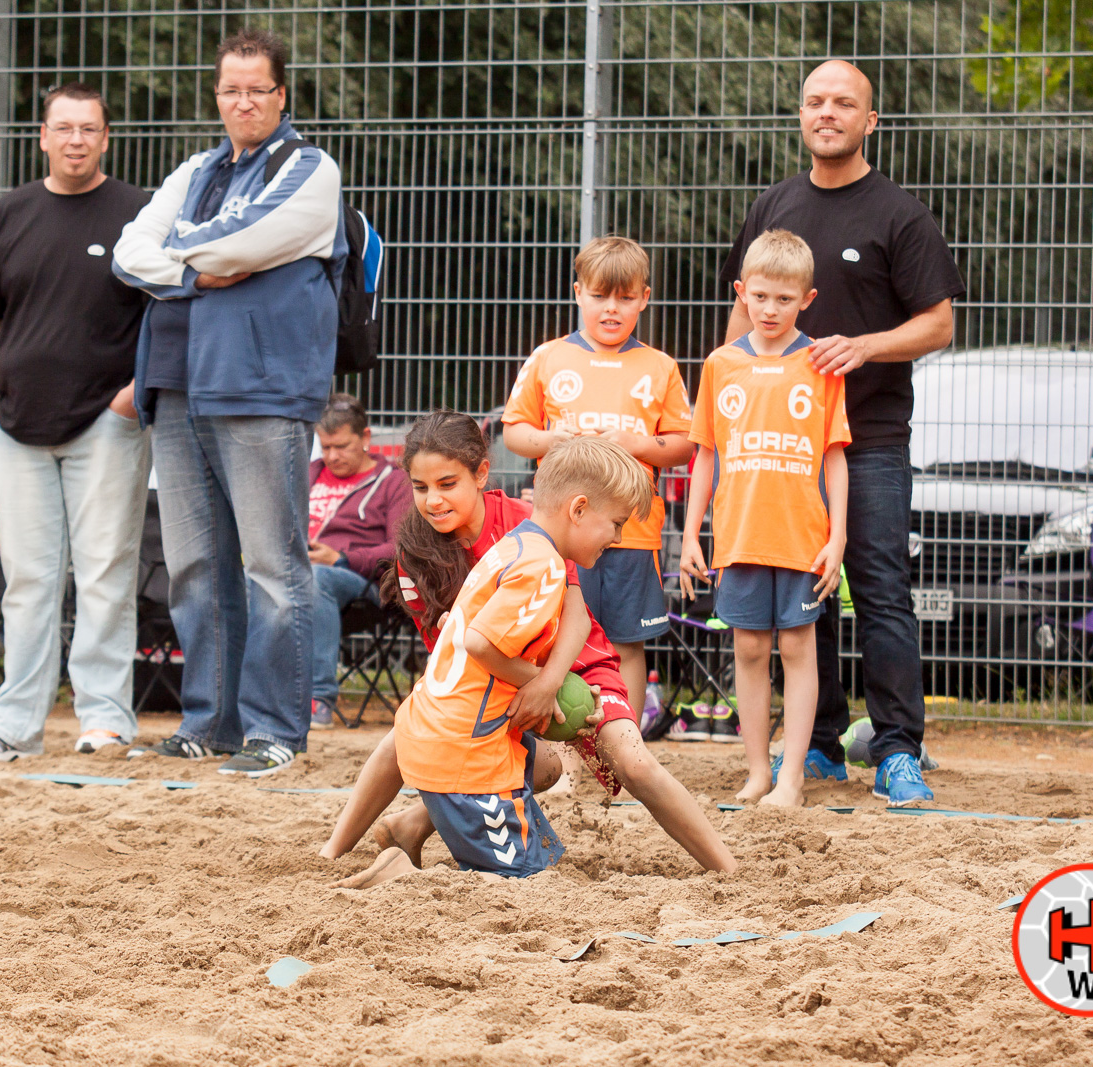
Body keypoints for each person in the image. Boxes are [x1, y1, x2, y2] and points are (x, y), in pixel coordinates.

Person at [318, 410, 736, 874]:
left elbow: (575, 612)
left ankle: (729, 871)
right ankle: (334, 852)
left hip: (568, 663)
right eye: (421, 488)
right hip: (505, 673)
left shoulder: (531, 524)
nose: (434, 500)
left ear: (481, 474)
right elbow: (459, 655)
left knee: (632, 764)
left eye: (447, 483)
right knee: (418, 725)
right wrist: (528, 686)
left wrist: (551, 682)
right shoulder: (416, 557)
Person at [720, 60, 963, 806]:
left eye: (844, 103)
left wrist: (864, 346)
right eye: (816, 101)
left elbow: (940, 323)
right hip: (782, 446)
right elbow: (741, 319)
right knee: (803, 595)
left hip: (872, 437)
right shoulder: (774, 204)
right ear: (802, 115)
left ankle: (896, 749)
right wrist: (729, 413)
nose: (828, 112)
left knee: (880, 589)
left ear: (869, 122)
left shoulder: (900, 214)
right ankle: (817, 747)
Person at [112, 27, 345, 777]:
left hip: (262, 387)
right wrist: (194, 264)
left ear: (282, 95)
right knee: (195, 567)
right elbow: (128, 251)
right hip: (178, 384)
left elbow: (240, 245)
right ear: (217, 95)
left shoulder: (311, 170)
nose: (243, 101)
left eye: (258, 89)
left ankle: (276, 729)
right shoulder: (195, 169)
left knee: (274, 568)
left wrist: (179, 256)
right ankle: (210, 721)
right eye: (230, 89)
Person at [0, 83, 153, 762]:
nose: (75, 140)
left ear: (104, 137)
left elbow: (166, 313)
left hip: (106, 423)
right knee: (29, 578)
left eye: (88, 129)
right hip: (15, 427)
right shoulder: (9, 214)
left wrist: (130, 396)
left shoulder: (139, 213)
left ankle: (105, 721)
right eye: (63, 128)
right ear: (42, 135)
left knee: (105, 573)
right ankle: (16, 726)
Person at [680, 230, 849, 808]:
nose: (771, 309)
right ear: (741, 293)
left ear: (807, 298)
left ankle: (792, 778)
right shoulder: (720, 365)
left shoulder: (820, 364)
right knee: (749, 651)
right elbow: (705, 456)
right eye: (760, 296)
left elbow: (834, 457)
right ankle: (756, 772)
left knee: (799, 650)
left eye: (784, 298)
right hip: (738, 539)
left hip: (802, 540)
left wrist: (839, 536)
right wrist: (689, 537)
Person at [502, 236, 695, 724]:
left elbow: (685, 444)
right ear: (577, 293)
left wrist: (640, 444)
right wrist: (552, 439)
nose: (612, 309)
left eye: (626, 298)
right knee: (555, 640)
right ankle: (563, 758)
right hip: (560, 535)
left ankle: (622, 744)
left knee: (626, 643)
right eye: (600, 296)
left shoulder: (660, 367)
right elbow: (515, 432)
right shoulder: (548, 357)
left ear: (644, 299)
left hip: (632, 533)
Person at [306, 393, 412, 729]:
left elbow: (399, 549)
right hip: (297, 569)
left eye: (341, 446)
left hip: (358, 580)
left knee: (317, 578)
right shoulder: (308, 473)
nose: (331, 456)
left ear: (365, 438)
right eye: (324, 447)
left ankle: (317, 698)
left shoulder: (393, 480)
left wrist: (342, 557)